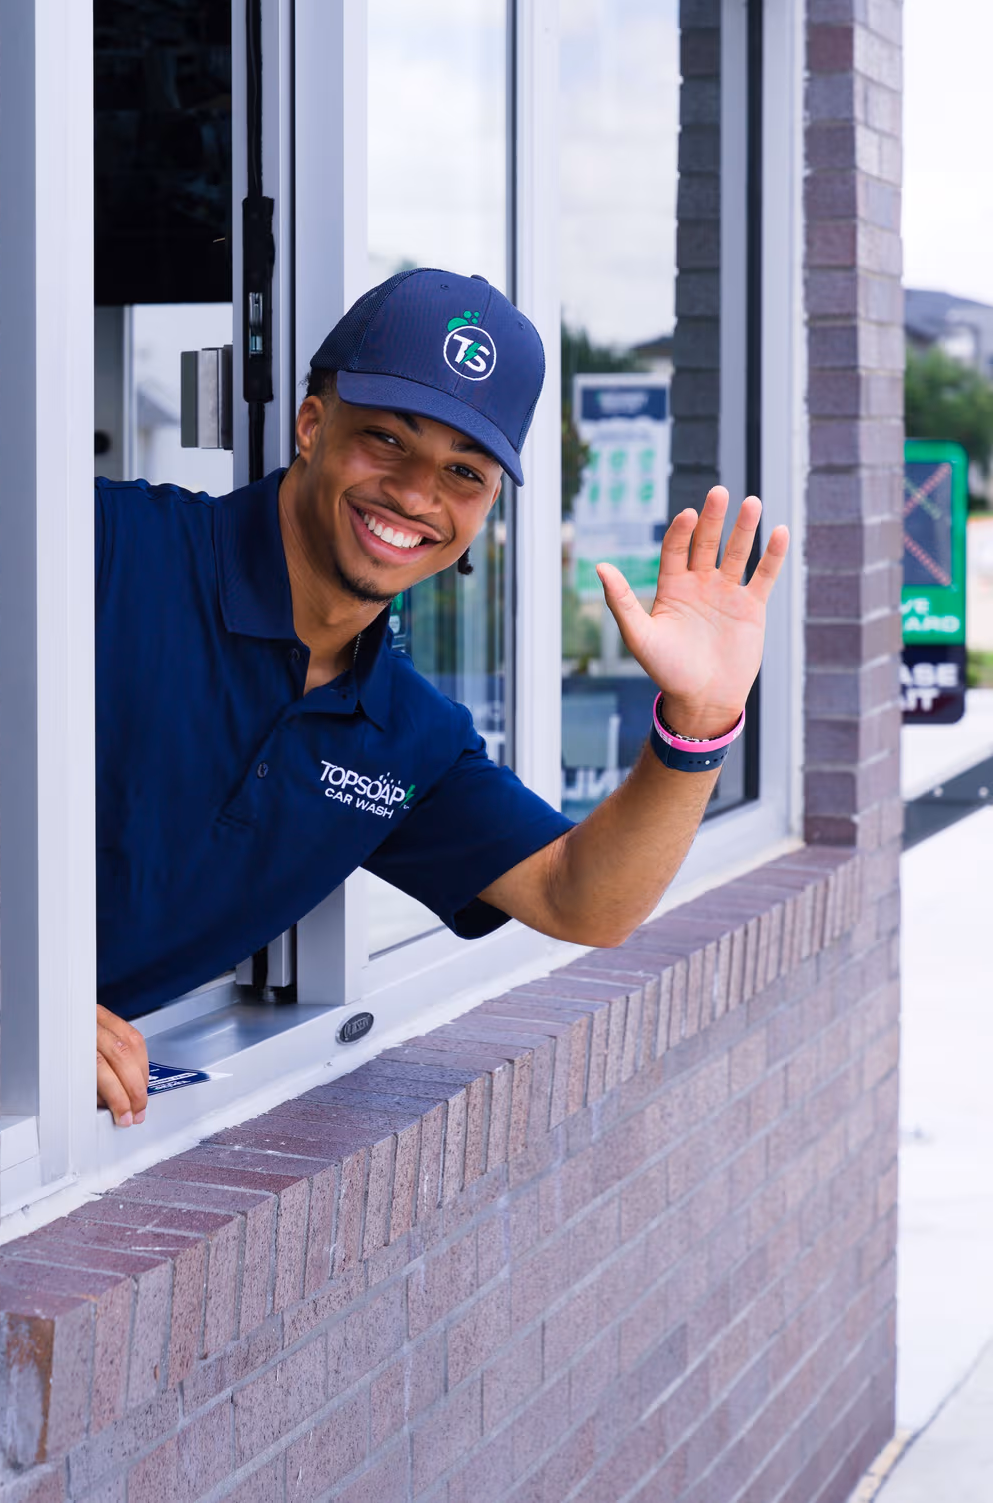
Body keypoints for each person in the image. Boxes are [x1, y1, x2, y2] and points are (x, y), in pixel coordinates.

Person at [94, 268, 788, 1125]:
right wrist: (15, 1000)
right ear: (313, 424)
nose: (418, 494)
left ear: (490, 504)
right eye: (387, 439)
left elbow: (584, 898)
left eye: (465, 470)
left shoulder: (404, 737)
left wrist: (698, 720)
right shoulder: (104, 548)